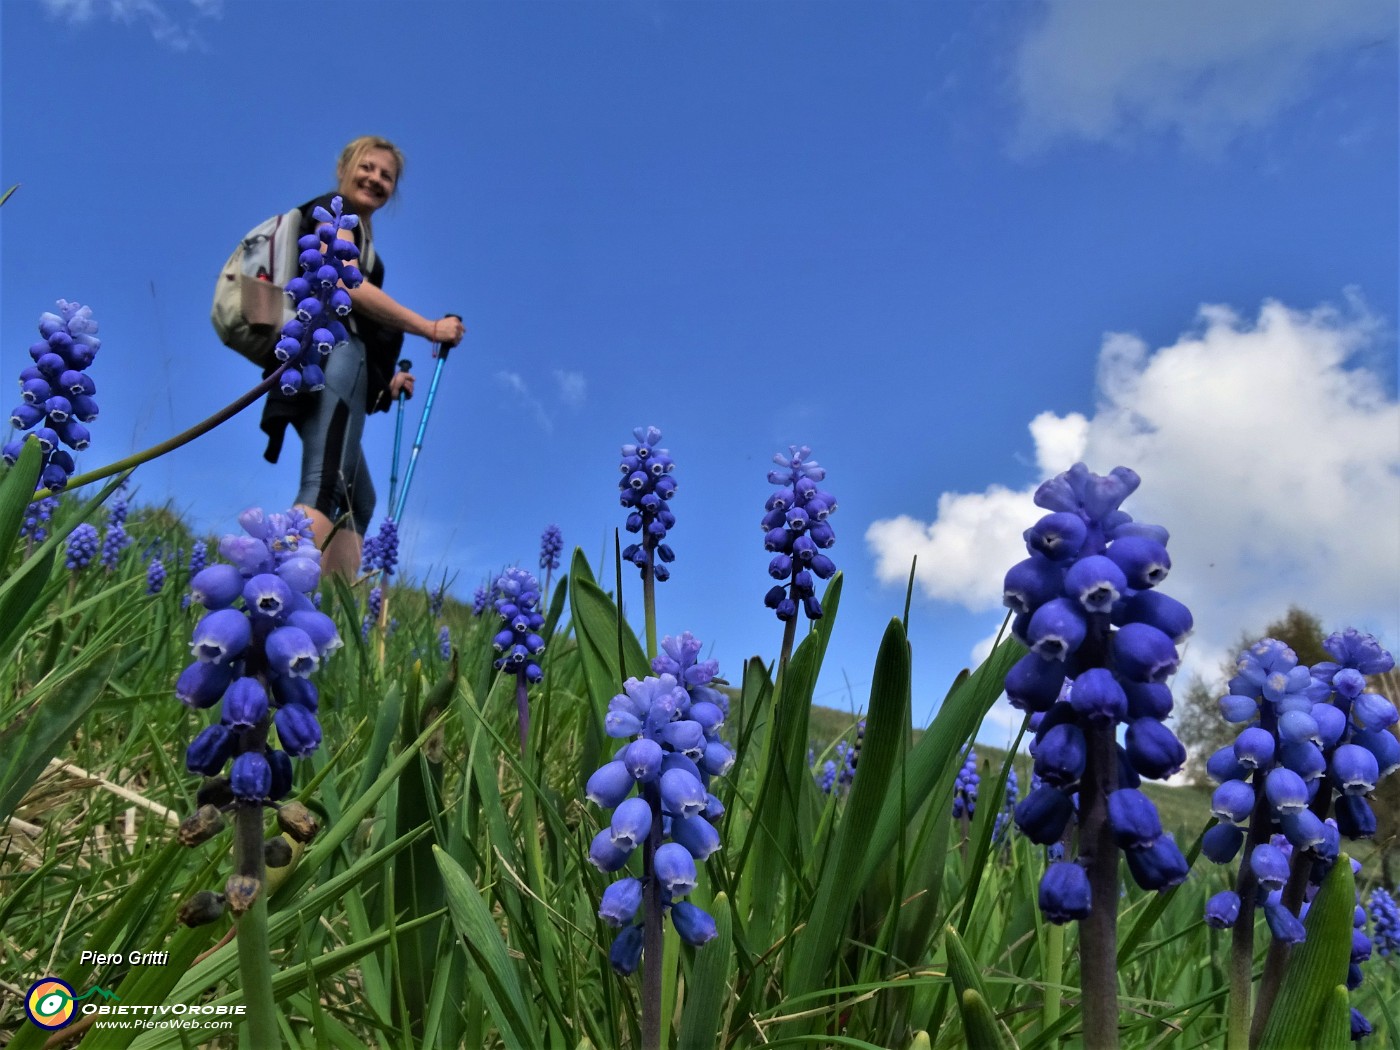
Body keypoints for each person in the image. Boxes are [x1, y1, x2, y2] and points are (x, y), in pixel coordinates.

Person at [259, 135, 465, 579]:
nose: (375, 179)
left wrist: (385, 384)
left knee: (358, 498)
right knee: (325, 482)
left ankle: (328, 618)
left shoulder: (368, 246)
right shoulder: (331, 213)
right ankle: (277, 602)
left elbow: (358, 323)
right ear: (343, 168)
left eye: (386, 176)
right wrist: (430, 328)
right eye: (367, 167)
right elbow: (346, 286)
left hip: (334, 361)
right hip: (323, 356)